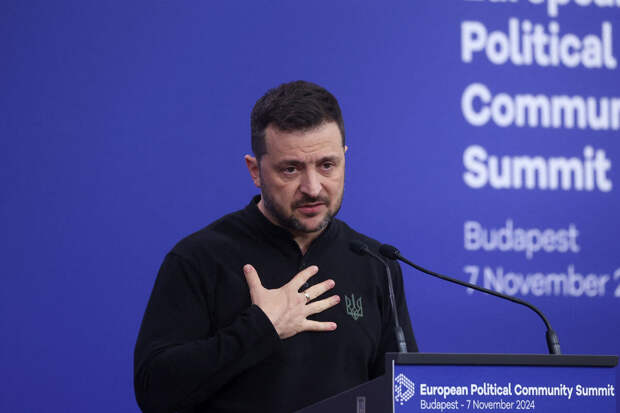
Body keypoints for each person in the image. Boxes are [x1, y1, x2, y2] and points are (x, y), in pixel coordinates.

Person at [134, 80, 417, 413]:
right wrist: (260, 328)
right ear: (255, 171)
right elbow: (154, 391)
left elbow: (404, 395)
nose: (312, 188)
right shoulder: (199, 258)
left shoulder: (375, 262)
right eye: (291, 169)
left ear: (344, 159)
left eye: (327, 165)